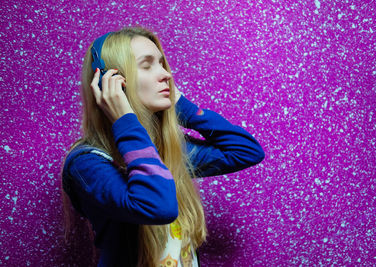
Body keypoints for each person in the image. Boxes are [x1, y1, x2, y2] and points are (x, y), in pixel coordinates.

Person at [62, 26, 265, 267]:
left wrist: (182, 106)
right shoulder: (88, 163)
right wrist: (124, 119)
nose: (166, 74)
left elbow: (246, 150)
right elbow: (158, 206)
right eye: (147, 65)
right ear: (112, 83)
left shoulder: (166, 149)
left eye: (162, 63)